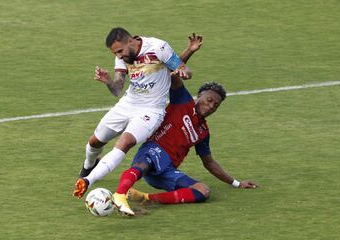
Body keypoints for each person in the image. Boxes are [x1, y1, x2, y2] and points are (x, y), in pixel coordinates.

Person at [73, 27, 192, 198]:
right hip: (128, 104)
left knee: (125, 142)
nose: (119, 56)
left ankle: (87, 180)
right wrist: (108, 82)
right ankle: (88, 165)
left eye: (120, 51)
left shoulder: (158, 47)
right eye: (116, 54)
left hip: (151, 110)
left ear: (130, 41)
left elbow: (186, 70)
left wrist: (184, 73)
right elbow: (117, 90)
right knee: (94, 142)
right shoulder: (122, 56)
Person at [112, 80, 259, 216]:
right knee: (143, 165)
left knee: (203, 191)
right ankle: (120, 195)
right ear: (200, 95)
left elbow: (209, 163)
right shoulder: (183, 100)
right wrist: (189, 51)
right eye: (209, 100)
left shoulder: (203, 131)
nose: (210, 107)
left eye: (215, 105)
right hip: (153, 150)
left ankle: (148, 198)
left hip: (167, 170)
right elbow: (171, 73)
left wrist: (237, 183)